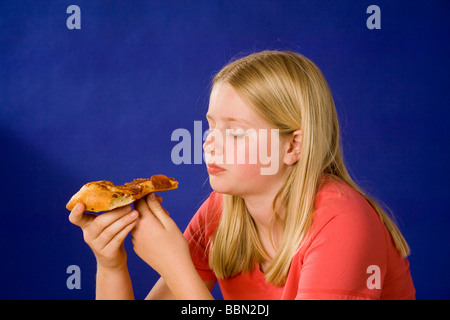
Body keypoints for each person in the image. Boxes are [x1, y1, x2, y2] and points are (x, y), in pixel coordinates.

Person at [69, 50, 415, 299]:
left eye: (235, 132)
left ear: (294, 146)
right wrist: (110, 265)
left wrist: (177, 267)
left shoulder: (342, 223)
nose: (209, 144)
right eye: (210, 127)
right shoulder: (224, 208)